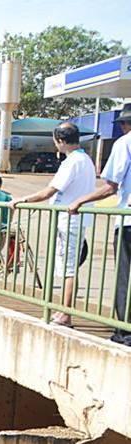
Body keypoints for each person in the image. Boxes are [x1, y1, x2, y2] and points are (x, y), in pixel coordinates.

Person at [10, 123, 96, 327]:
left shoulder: (73, 162)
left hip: (70, 221)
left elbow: (48, 192)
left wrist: (21, 200)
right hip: (74, 220)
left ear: (61, 141)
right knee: (68, 267)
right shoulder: (85, 160)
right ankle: (62, 310)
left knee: (68, 269)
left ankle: (65, 314)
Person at [70, 103, 131, 345]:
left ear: (126, 124)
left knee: (125, 276)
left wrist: (80, 201)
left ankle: (125, 331)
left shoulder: (125, 143)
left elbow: (110, 186)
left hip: (128, 222)